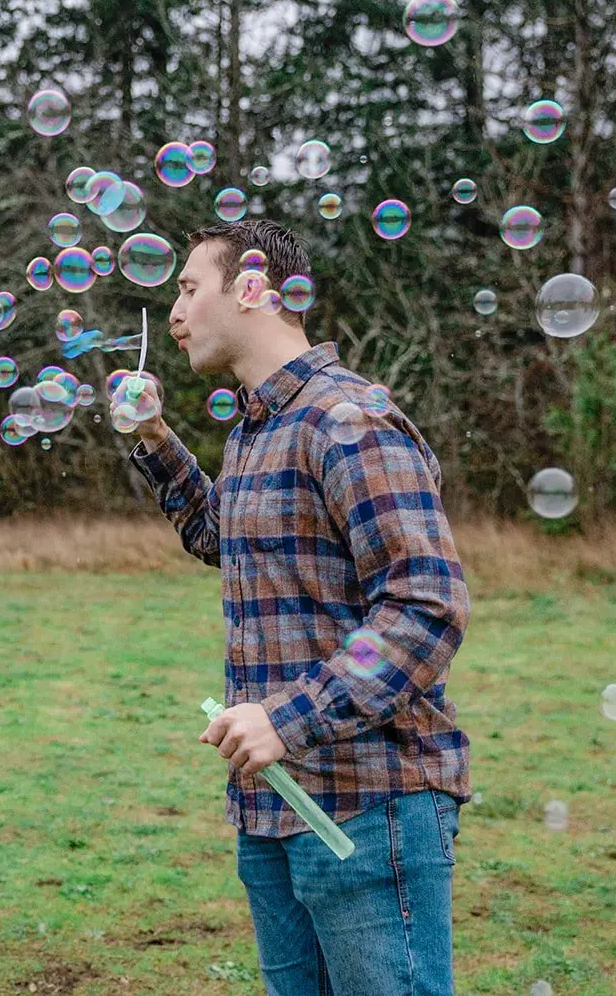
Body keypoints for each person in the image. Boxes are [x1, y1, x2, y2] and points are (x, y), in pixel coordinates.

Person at [117, 220, 471, 996]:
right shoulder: (257, 427)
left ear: (251, 287)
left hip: (369, 801)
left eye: (186, 289)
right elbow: (224, 536)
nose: (172, 313)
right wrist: (154, 434)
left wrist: (286, 718)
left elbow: (426, 605)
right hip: (274, 807)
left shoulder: (348, 421)